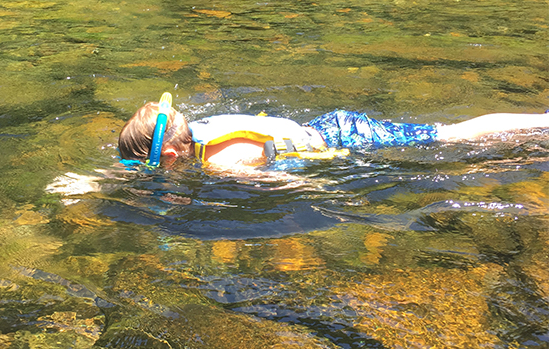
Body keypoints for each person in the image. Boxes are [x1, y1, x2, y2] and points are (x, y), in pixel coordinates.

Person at [118, 101, 549, 168]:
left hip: (347, 136)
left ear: (170, 157)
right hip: (331, 123)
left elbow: (273, 173)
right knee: (445, 133)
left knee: (450, 135)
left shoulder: (218, 159)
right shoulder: (197, 130)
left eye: (148, 167)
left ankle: (543, 121)